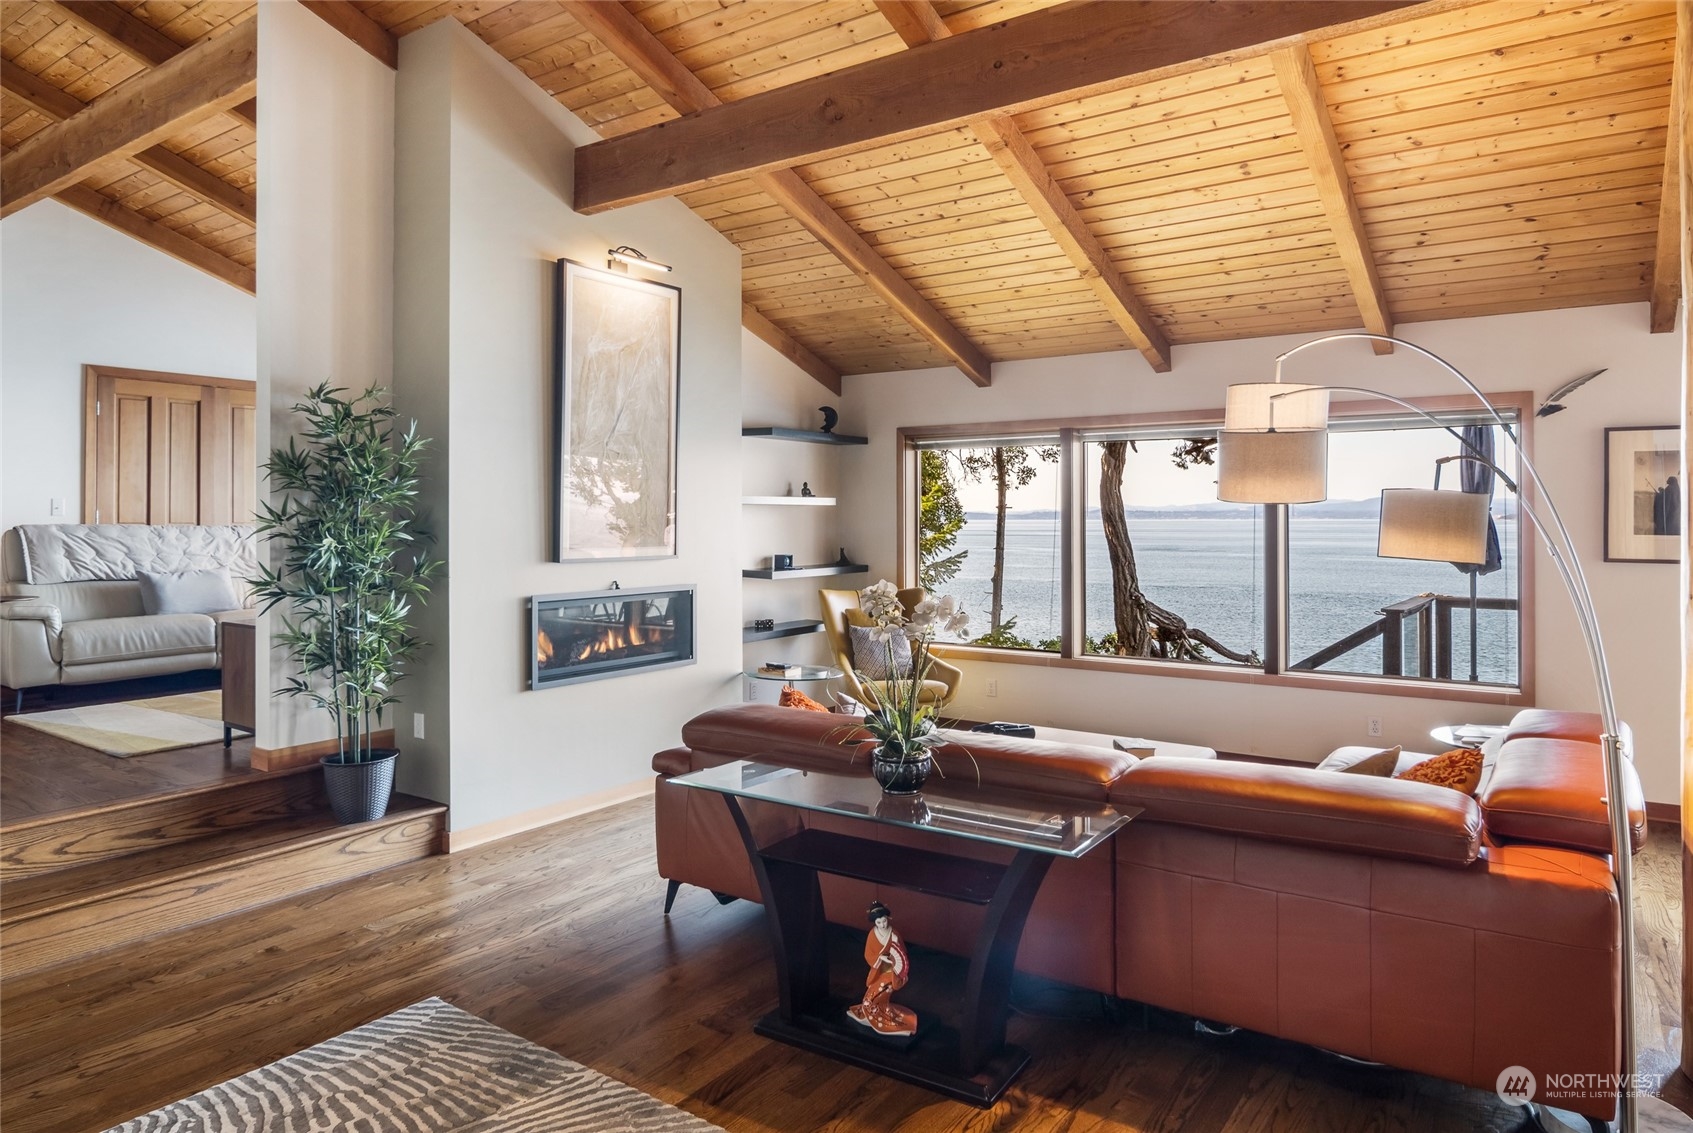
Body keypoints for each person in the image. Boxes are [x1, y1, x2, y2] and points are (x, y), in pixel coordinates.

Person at [846, 901, 918, 1036]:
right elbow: (868, 954)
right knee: (870, 998)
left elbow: (901, 954)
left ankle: (878, 1016)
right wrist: (881, 958)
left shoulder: (894, 934)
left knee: (874, 998)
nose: (882, 925)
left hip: (891, 973)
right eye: (878, 922)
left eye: (884, 921)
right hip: (879, 971)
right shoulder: (872, 935)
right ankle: (871, 1015)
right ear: (875, 922)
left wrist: (893, 952)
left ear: (888, 918)